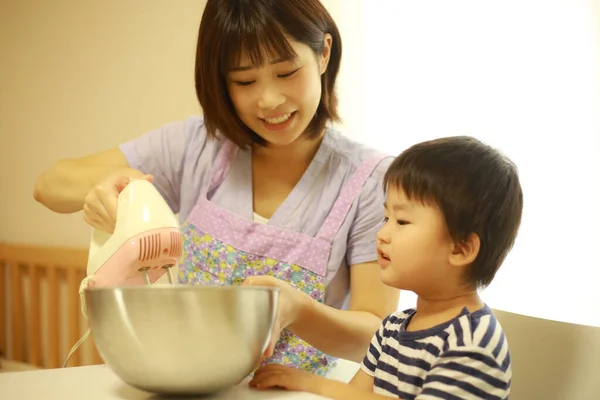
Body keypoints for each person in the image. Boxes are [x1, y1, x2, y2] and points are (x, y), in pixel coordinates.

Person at [33, 0, 400, 377]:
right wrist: (110, 187)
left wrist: (301, 311)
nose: (269, 100)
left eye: (287, 72)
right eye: (244, 81)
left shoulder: (370, 181)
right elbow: (50, 185)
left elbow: (376, 335)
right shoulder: (198, 146)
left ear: (324, 53)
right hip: (186, 384)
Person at [249, 136, 523, 399]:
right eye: (385, 217)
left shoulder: (470, 342)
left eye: (401, 221)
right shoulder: (393, 328)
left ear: (460, 249)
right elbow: (355, 395)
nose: (382, 234)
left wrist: (313, 384)